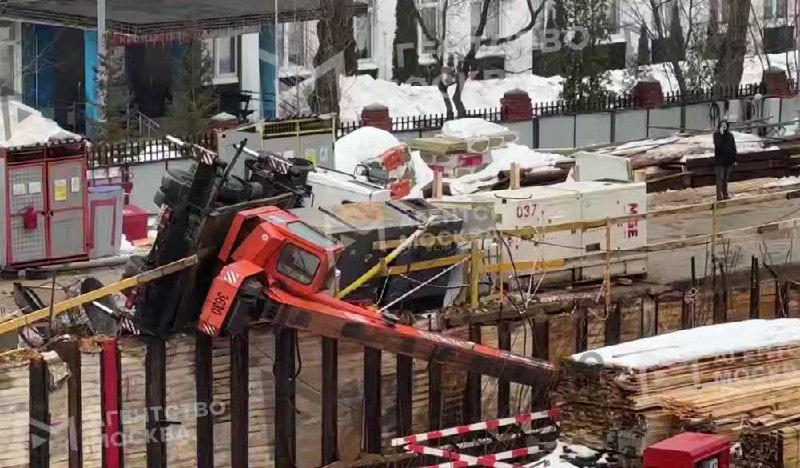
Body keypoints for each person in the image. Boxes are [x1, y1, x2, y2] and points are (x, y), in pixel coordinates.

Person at [713, 120, 737, 201]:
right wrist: (721, 134)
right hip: (720, 161)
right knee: (720, 178)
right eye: (722, 125)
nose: (724, 126)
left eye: (725, 125)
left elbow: (733, 147)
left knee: (726, 179)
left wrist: (734, 159)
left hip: (729, 161)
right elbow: (718, 145)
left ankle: (725, 194)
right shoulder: (716, 135)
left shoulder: (730, 135)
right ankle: (719, 196)